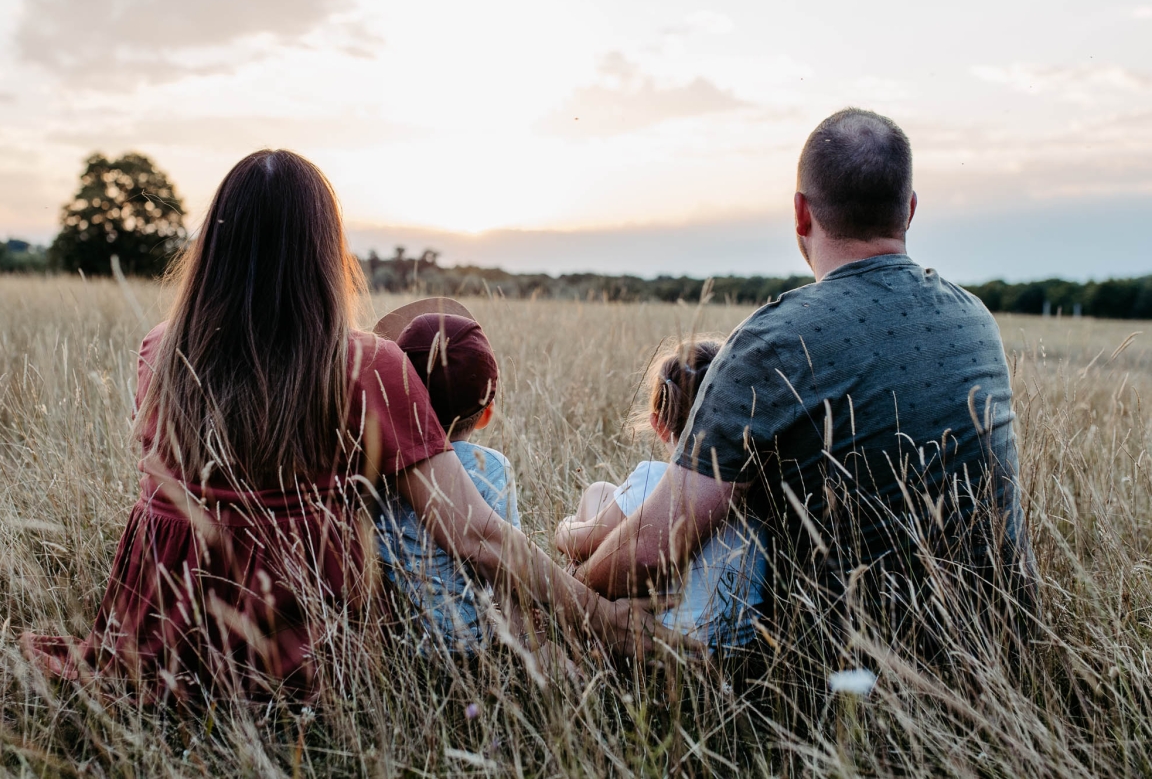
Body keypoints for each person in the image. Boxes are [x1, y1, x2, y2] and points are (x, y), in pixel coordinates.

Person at [22, 150, 682, 701]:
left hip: (162, 620)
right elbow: (477, 535)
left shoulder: (160, 348)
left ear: (214, 244)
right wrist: (602, 618)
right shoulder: (367, 364)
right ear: (324, 249)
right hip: (290, 633)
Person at [576, 108, 1039, 671]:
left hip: (851, 683)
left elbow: (650, 552)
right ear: (910, 209)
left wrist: (572, 592)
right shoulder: (976, 320)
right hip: (1004, 653)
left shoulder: (771, 342)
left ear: (801, 213)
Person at [554, 338, 766, 651]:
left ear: (658, 423)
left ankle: (576, 639)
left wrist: (564, 527)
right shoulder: (757, 489)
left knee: (595, 501)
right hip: (737, 647)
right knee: (602, 491)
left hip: (657, 644)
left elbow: (580, 543)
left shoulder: (654, 477)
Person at [372, 303, 522, 649]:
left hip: (396, 638)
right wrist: (531, 642)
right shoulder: (493, 467)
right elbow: (508, 568)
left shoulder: (379, 462)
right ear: (486, 415)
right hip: (469, 640)